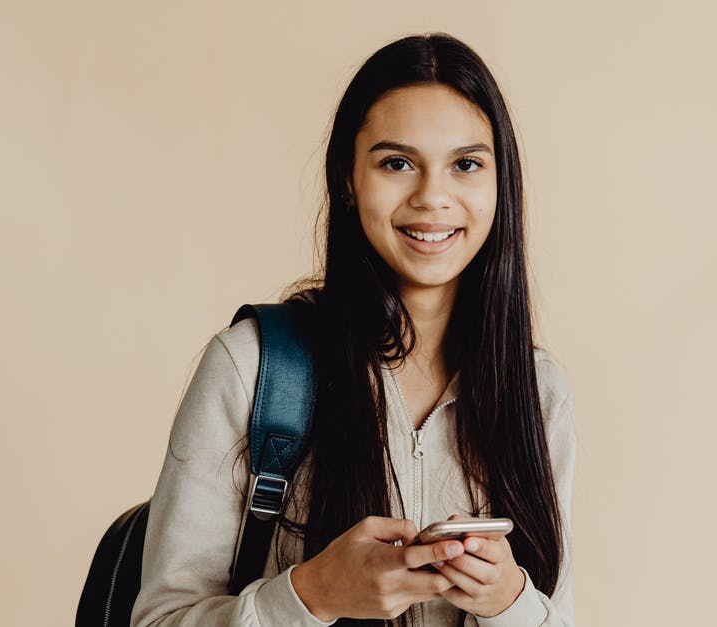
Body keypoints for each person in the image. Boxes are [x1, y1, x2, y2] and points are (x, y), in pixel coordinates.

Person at [131, 32, 576, 627]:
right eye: (397, 163)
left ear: (501, 184)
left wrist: (509, 604)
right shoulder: (255, 368)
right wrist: (311, 595)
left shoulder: (537, 390)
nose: (433, 197)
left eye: (466, 164)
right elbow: (160, 619)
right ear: (347, 178)